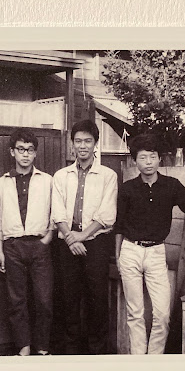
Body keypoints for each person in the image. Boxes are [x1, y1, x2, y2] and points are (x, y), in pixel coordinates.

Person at [114, 133, 185, 355]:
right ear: (135, 161)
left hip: (155, 252)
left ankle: (154, 360)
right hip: (130, 251)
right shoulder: (127, 188)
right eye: (143, 157)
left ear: (159, 159)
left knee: (162, 314)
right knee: (135, 313)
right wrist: (118, 257)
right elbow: (119, 226)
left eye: (152, 156)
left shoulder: (171, 185)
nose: (148, 162)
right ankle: (138, 361)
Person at [51, 119, 118, 354]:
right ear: (72, 144)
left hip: (96, 243)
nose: (82, 146)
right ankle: (71, 351)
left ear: (95, 144)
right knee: (68, 297)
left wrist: (82, 236)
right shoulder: (61, 176)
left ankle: (96, 351)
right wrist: (71, 238)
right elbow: (57, 211)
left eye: (87, 141)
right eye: (78, 141)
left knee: (96, 298)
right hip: (67, 243)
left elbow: (107, 214)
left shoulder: (108, 175)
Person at [0, 128, 54, 356]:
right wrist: (0, 251)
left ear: (35, 153)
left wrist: (47, 239)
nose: (25, 154)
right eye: (20, 149)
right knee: (17, 300)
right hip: (13, 247)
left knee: (44, 299)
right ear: (12, 152)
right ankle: (24, 347)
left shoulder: (47, 181)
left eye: (30, 150)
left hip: (39, 246)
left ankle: (42, 347)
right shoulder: (2, 183)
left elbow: (56, 213)